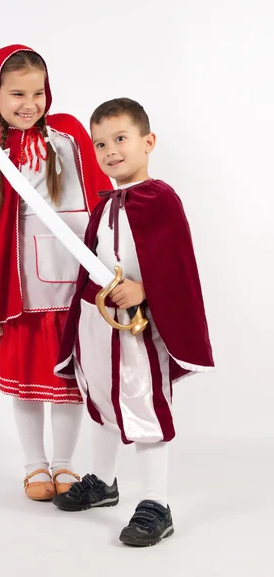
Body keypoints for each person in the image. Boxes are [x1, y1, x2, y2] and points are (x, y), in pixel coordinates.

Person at [0, 45, 112, 501]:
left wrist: (110, 271)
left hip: (75, 286)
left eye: (37, 92)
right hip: (23, 293)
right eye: (17, 93)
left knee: (68, 386)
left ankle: (64, 464)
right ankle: (34, 465)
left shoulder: (70, 135)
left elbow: (100, 202)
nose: (30, 103)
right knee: (26, 384)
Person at [53, 98, 214, 545]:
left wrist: (144, 291)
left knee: (143, 405)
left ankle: (156, 503)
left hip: (138, 327)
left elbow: (177, 265)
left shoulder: (161, 200)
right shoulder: (104, 206)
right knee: (103, 402)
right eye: (100, 143)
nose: (110, 151)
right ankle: (104, 484)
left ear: (148, 142)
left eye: (120, 139)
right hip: (98, 322)